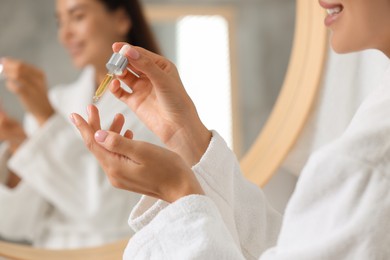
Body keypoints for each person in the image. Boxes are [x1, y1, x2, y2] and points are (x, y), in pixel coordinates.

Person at [72, 0, 390, 259]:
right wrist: (187, 138)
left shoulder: (368, 162)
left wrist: (179, 193)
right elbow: (293, 247)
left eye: (77, 15)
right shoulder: (375, 119)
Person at [0, 0, 161, 249]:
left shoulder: (155, 106)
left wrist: (46, 119)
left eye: (77, 17)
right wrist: (18, 142)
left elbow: (106, 210)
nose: (65, 34)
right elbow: (17, 223)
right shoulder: (56, 100)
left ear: (121, 19)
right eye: (59, 22)